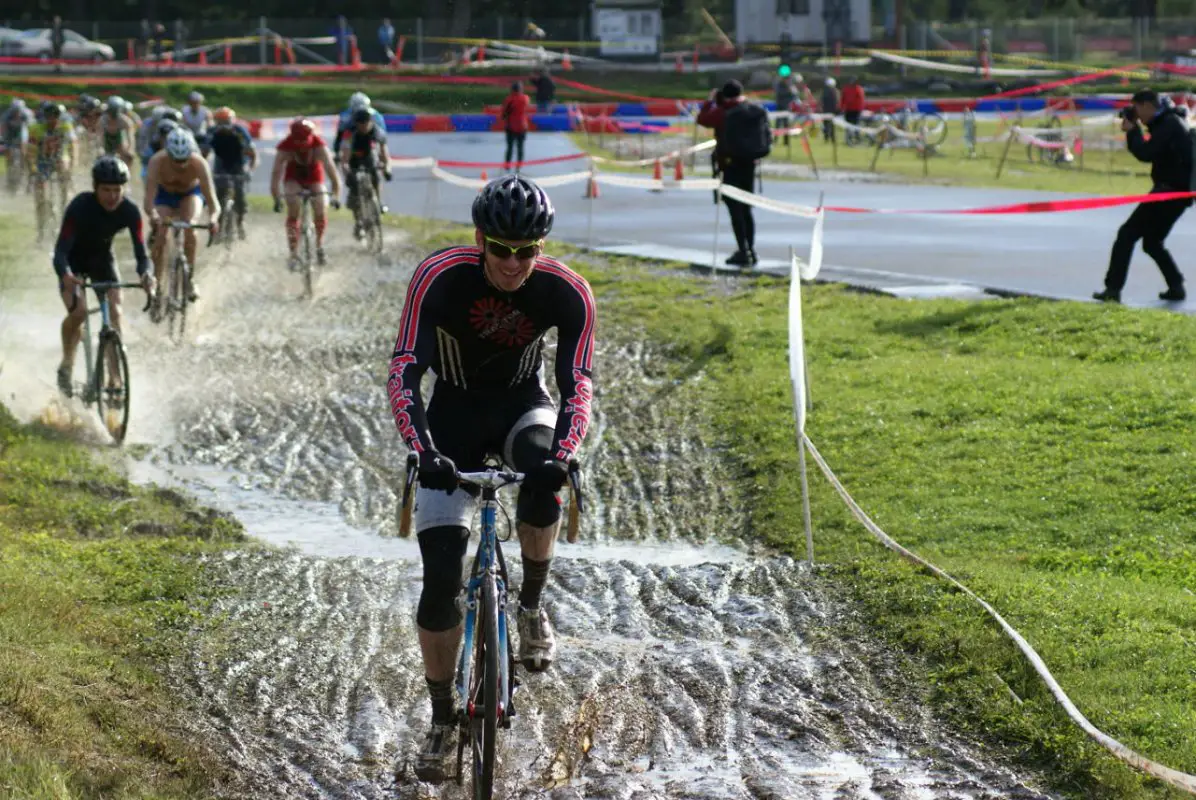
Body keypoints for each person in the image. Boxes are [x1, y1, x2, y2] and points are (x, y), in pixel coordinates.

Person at [387, 174, 594, 782]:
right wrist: (421, 449)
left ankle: (530, 606)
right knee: (441, 577)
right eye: (500, 248)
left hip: (520, 406)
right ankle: (444, 717)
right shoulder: (440, 276)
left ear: (541, 246)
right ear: (479, 238)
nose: (511, 262)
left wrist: (565, 450)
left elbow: (576, 381)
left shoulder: (566, 292)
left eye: (526, 250)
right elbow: (405, 370)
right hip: (448, 418)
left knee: (542, 469)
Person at [53, 155, 155, 396]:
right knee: (78, 312)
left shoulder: (130, 211)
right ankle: (67, 363)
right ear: (95, 188)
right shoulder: (80, 206)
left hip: (102, 260)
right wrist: (66, 274)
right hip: (73, 261)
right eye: (106, 190)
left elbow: (142, 255)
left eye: (117, 190)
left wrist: (147, 275)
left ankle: (114, 377)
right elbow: (60, 251)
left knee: (115, 313)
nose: (112, 196)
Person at [1095, 89, 1191, 303]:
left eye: (1137, 109)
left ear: (1148, 105)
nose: (1137, 114)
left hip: (1168, 192)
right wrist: (1136, 128)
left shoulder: (1169, 124)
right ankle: (1176, 286)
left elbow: (1146, 153)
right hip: (1177, 193)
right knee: (1152, 242)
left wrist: (1132, 131)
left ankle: (1112, 289)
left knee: (1126, 234)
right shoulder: (1169, 121)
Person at [143, 127, 220, 306]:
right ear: (167, 153)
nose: (180, 165)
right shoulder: (157, 161)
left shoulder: (199, 163)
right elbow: (148, 201)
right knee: (160, 234)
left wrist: (213, 219)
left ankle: (189, 279)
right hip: (164, 195)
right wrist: (153, 216)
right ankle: (157, 283)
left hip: (190, 193)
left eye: (184, 160)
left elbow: (213, 201)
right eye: (175, 160)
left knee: (190, 229)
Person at [698, 80, 769, 267]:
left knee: (734, 208)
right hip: (750, 163)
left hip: (729, 164)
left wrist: (710, 101)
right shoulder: (753, 110)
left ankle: (742, 249)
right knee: (746, 208)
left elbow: (703, 119)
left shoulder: (723, 112)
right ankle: (751, 249)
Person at [271, 118, 341, 270]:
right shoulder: (285, 147)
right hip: (293, 178)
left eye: (304, 139)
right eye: (298, 139)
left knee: (320, 204)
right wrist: (276, 198)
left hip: (314, 177)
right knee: (292, 203)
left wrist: (335, 195)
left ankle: (319, 245)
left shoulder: (319, 146)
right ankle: (293, 252)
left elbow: (332, 172)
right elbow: (276, 174)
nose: (301, 143)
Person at [25, 102, 78, 241]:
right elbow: (30, 151)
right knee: (41, 198)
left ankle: (66, 217)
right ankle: (41, 230)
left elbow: (73, 146)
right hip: (42, 162)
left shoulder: (66, 127)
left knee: (65, 190)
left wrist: (71, 166)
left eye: (56, 116)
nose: (52, 119)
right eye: (49, 116)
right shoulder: (36, 129)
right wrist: (33, 168)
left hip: (60, 161)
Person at [339, 107, 391, 238]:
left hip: (369, 157)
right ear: (356, 123)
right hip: (354, 159)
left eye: (366, 123)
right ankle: (358, 222)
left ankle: (378, 202)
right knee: (354, 191)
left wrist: (387, 169)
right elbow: (345, 155)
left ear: (371, 122)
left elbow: (384, 153)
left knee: (376, 177)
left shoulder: (377, 132)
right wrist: (346, 169)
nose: (363, 126)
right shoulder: (350, 133)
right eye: (360, 124)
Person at [208, 107, 257, 240]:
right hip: (221, 165)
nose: (223, 125)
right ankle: (218, 226)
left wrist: (249, 170)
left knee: (240, 196)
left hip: (238, 164)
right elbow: (204, 151)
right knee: (218, 196)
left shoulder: (239, 131)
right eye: (221, 122)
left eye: (226, 121)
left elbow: (252, 152)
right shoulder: (212, 132)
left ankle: (240, 222)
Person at [3, 98, 35, 188]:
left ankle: (23, 168)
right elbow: (3, 128)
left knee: (23, 151)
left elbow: (31, 128)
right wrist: (5, 143)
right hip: (10, 133)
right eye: (15, 111)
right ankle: (9, 171)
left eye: (18, 111)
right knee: (8, 153)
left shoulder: (26, 114)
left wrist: (28, 143)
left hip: (22, 132)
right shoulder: (7, 114)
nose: (16, 113)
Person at [501, 82, 531, 172]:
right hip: (522, 126)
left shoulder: (509, 99)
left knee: (510, 147)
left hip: (511, 126)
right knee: (520, 147)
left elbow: (504, 113)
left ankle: (507, 165)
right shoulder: (525, 98)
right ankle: (519, 165)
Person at [99, 96, 136, 167]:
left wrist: (130, 149)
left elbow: (131, 137)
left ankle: (127, 172)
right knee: (100, 157)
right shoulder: (102, 120)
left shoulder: (126, 121)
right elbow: (100, 136)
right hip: (107, 141)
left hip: (120, 142)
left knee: (129, 156)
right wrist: (100, 148)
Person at [182, 91, 213, 157]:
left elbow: (209, 123)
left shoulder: (205, 111)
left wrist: (209, 128)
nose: (195, 104)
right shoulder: (185, 110)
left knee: (208, 143)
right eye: (193, 102)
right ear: (189, 102)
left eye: (197, 102)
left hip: (201, 135)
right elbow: (184, 123)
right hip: (188, 134)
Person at [774, 72, 800, 146]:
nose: (787, 80)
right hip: (780, 107)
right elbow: (780, 93)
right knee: (778, 124)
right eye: (786, 79)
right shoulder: (780, 85)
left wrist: (793, 91)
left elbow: (794, 95)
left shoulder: (790, 86)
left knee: (786, 125)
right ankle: (775, 140)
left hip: (786, 107)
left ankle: (786, 142)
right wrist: (789, 91)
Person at [840, 76, 866, 146]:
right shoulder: (846, 88)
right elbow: (843, 98)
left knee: (856, 125)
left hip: (856, 110)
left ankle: (857, 138)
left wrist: (860, 109)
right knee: (848, 126)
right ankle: (848, 139)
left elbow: (861, 100)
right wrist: (842, 108)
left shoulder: (859, 89)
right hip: (848, 110)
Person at [820, 77, 839, 142]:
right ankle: (830, 138)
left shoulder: (826, 91)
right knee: (830, 125)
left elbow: (822, 101)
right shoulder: (835, 91)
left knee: (828, 125)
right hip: (829, 110)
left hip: (827, 110)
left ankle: (828, 138)